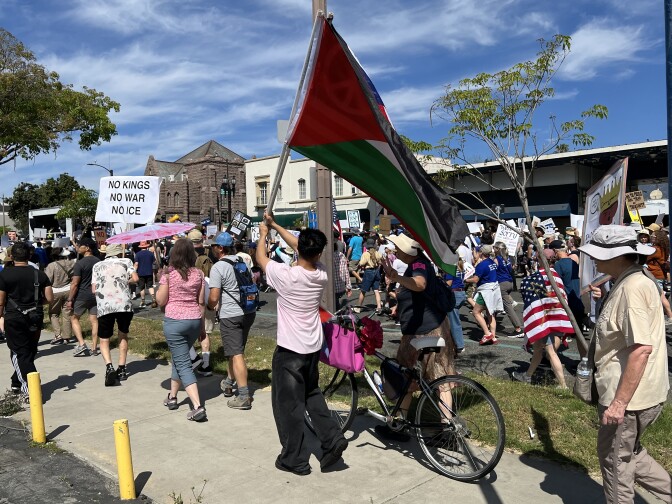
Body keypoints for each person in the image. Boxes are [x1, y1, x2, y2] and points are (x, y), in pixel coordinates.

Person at [578, 225, 671, 503]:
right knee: (630, 453)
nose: (593, 259)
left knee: (615, 463)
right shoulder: (634, 280)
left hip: (629, 400)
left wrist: (619, 403)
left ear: (620, 256)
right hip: (641, 395)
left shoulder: (631, 287)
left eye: (598, 254)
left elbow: (641, 349)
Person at [256, 211, 348, 475]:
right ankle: (332, 439)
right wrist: (274, 225)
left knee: (289, 406)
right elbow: (301, 247)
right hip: (311, 347)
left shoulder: (286, 276)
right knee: (312, 395)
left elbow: (260, 258)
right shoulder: (320, 273)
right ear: (319, 253)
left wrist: (264, 234)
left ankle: (294, 458)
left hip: (289, 351)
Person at [381, 232, 456, 441]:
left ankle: (399, 426)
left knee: (404, 378)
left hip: (420, 332)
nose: (395, 251)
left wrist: (395, 277)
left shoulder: (418, 266)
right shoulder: (419, 264)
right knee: (442, 380)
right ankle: (447, 430)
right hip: (436, 328)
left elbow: (420, 284)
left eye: (398, 248)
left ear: (407, 251)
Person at [156, 238, 207, 422]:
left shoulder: (169, 275)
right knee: (180, 358)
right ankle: (172, 397)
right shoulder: (199, 274)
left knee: (183, 364)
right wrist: (202, 327)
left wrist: (160, 281)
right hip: (193, 320)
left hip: (175, 322)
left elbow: (161, 301)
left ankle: (197, 406)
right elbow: (201, 302)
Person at [208, 232, 257, 410]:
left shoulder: (218, 267)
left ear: (220, 248)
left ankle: (244, 396)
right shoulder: (241, 262)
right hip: (248, 311)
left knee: (236, 353)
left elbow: (213, 297)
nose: (211, 249)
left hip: (231, 314)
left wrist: (208, 305)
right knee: (235, 349)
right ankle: (228, 382)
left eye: (213, 246)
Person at [0, 242, 53, 399]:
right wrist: (35, 304)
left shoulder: (4, 275)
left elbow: (1, 301)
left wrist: (0, 317)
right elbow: (49, 298)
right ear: (29, 256)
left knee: (20, 353)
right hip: (35, 316)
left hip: (14, 318)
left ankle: (31, 390)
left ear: (11, 256)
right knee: (29, 351)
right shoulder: (40, 274)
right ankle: (16, 381)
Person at [512, 257, 571, 389]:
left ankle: (563, 385)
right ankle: (527, 376)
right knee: (538, 349)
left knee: (550, 352)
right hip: (556, 316)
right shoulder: (556, 276)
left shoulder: (539, 276)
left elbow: (534, 298)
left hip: (545, 319)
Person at [91, 243, 139, 386]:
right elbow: (135, 279)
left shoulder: (97, 266)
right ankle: (122, 368)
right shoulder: (126, 262)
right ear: (119, 253)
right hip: (124, 304)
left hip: (105, 306)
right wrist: (125, 281)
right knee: (123, 334)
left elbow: (94, 289)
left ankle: (109, 366)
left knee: (104, 338)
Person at [67, 237, 101, 357]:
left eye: (80, 246)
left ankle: (82, 344)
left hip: (82, 295)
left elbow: (75, 283)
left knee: (74, 318)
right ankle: (94, 348)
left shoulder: (80, 264)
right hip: (96, 295)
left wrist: (70, 299)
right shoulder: (99, 261)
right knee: (94, 320)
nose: (77, 248)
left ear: (87, 248)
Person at [464, 244, 503, 345]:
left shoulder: (482, 264)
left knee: (476, 312)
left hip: (486, 290)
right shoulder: (492, 262)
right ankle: (493, 336)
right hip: (494, 289)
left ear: (481, 253)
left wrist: (466, 279)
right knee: (491, 313)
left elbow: (476, 279)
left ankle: (487, 333)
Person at [189, 229, 213, 375]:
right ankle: (206, 365)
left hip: (194, 299)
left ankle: (193, 359)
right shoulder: (210, 254)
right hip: (209, 294)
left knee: (188, 332)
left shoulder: (188, 257)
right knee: (205, 332)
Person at [44, 247, 75, 345]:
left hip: (55, 291)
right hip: (68, 290)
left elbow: (47, 280)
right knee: (67, 314)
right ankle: (67, 337)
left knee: (54, 314)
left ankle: (58, 335)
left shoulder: (51, 266)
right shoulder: (70, 263)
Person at [493, 242, 524, 338]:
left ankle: (518, 328)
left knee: (508, 307)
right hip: (509, 282)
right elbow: (511, 270)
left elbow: (493, 271)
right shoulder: (507, 259)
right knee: (496, 303)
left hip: (502, 283)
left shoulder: (496, 259)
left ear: (497, 249)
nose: (493, 249)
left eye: (494, 247)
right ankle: (490, 323)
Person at [645, 229, 672, 323]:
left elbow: (645, 257)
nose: (652, 237)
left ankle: (669, 316)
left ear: (658, 238)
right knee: (660, 296)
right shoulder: (662, 248)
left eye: (653, 236)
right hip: (660, 275)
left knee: (660, 297)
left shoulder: (655, 249)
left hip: (655, 275)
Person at [357, 238, 383, 313]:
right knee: (376, 290)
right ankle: (379, 307)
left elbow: (361, 263)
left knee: (363, 291)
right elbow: (380, 261)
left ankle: (358, 307)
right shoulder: (377, 253)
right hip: (376, 271)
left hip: (368, 272)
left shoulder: (366, 254)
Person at [133, 241, 156, 308]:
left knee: (142, 288)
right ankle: (153, 298)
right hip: (149, 272)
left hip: (141, 273)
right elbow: (154, 262)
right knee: (150, 286)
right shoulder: (150, 254)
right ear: (147, 246)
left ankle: (143, 301)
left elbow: (136, 264)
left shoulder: (138, 254)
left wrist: (133, 271)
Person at [333, 242, 352, 309]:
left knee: (334, 305)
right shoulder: (342, 255)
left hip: (332, 287)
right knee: (336, 302)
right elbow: (346, 271)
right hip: (341, 286)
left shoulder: (328, 256)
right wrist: (348, 286)